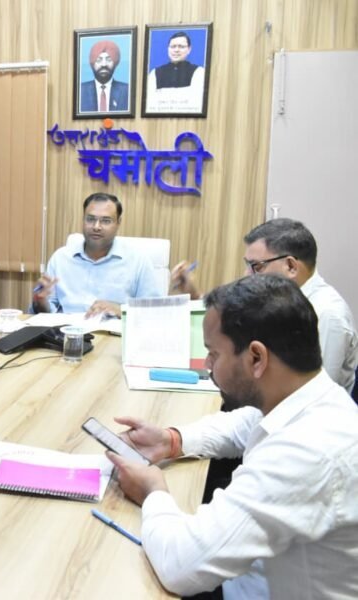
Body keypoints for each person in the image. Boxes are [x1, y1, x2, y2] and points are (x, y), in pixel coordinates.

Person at [107, 275, 358, 599]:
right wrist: (172, 440)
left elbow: (180, 566)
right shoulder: (311, 397)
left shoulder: (304, 454)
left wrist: (153, 491)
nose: (206, 365)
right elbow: (243, 424)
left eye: (213, 353)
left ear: (256, 358)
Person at [172, 218, 358, 392]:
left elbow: (314, 394)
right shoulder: (282, 301)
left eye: (257, 266)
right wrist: (196, 295)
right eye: (247, 265)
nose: (247, 275)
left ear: (291, 266)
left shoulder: (328, 315)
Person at [32, 193, 163, 317]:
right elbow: (46, 313)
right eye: (90, 219)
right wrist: (40, 302)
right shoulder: (60, 259)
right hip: (66, 331)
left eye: (106, 221)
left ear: (118, 223)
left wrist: (120, 310)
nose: (96, 227)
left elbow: (153, 312)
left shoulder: (137, 261)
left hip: (113, 332)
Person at [145, 31, 206, 113]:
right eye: (173, 46)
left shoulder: (199, 72)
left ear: (189, 49)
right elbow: (150, 104)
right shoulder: (155, 73)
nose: (176, 50)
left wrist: (163, 96)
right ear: (168, 49)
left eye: (181, 47)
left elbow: (195, 103)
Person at [79, 40, 129, 113]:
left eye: (109, 59)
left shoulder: (127, 91)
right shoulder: (80, 90)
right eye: (99, 60)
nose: (104, 64)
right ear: (92, 63)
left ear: (115, 63)